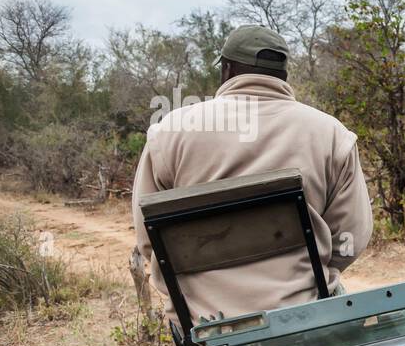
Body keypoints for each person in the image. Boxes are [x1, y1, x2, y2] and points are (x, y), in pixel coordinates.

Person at [132, 25, 373, 325]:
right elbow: (351, 237)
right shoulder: (331, 134)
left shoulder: (168, 132)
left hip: (203, 325)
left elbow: (148, 238)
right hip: (303, 316)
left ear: (227, 69)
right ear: (283, 75)